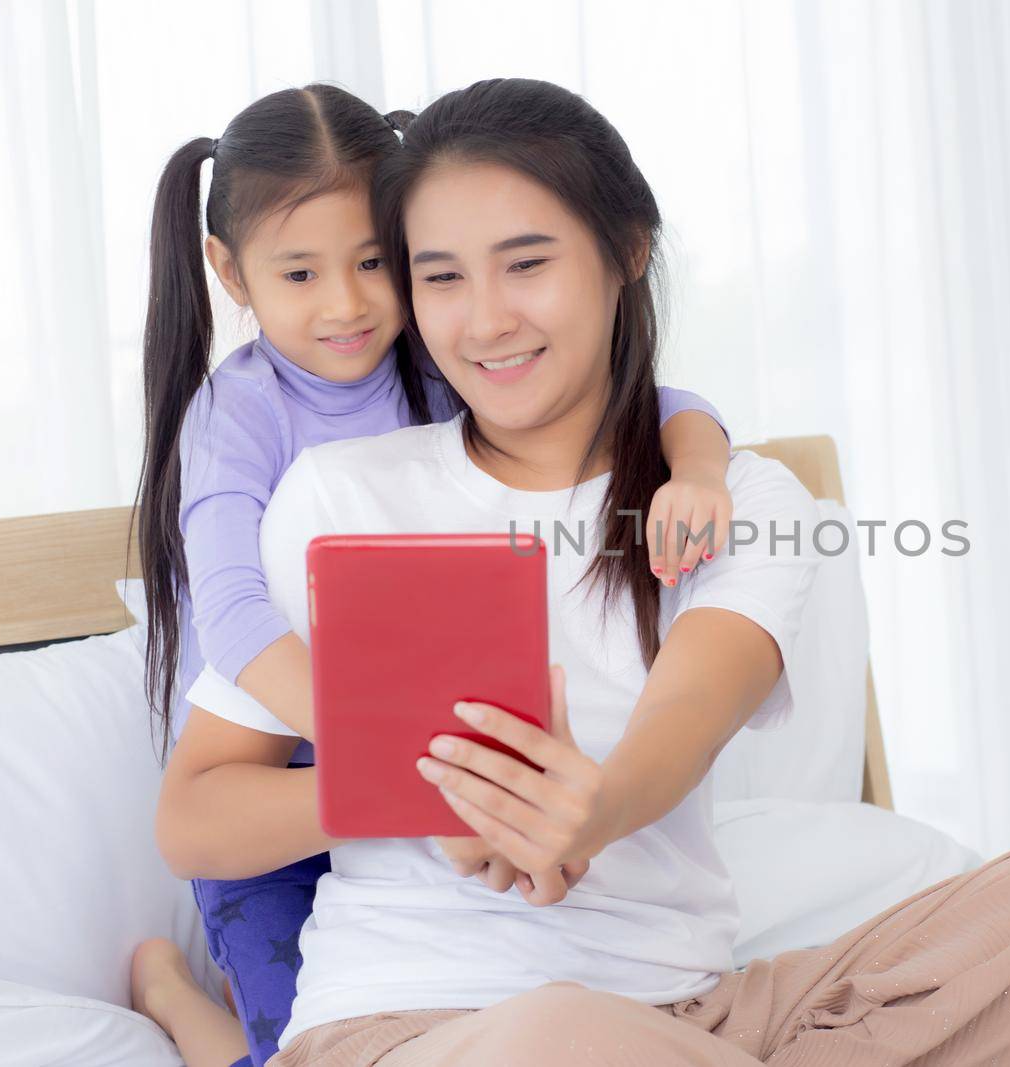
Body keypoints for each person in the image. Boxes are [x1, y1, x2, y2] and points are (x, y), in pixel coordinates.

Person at [141, 78, 1010, 1067]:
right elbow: (196, 815)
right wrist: (418, 787)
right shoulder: (336, 494)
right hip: (422, 1026)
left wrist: (585, 811)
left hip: (698, 1017)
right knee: (552, 1031)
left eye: (527, 263)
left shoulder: (735, 498)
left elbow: (686, 718)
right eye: (441, 277)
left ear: (625, 251)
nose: (486, 318)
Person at [129, 82, 735, 1067]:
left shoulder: (442, 356)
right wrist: (376, 743)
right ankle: (175, 997)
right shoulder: (235, 417)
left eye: (376, 261)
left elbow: (657, 395)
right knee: (289, 1045)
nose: (348, 303)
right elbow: (236, 615)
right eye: (300, 273)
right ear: (230, 274)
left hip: (425, 739)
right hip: (286, 745)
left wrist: (699, 469)